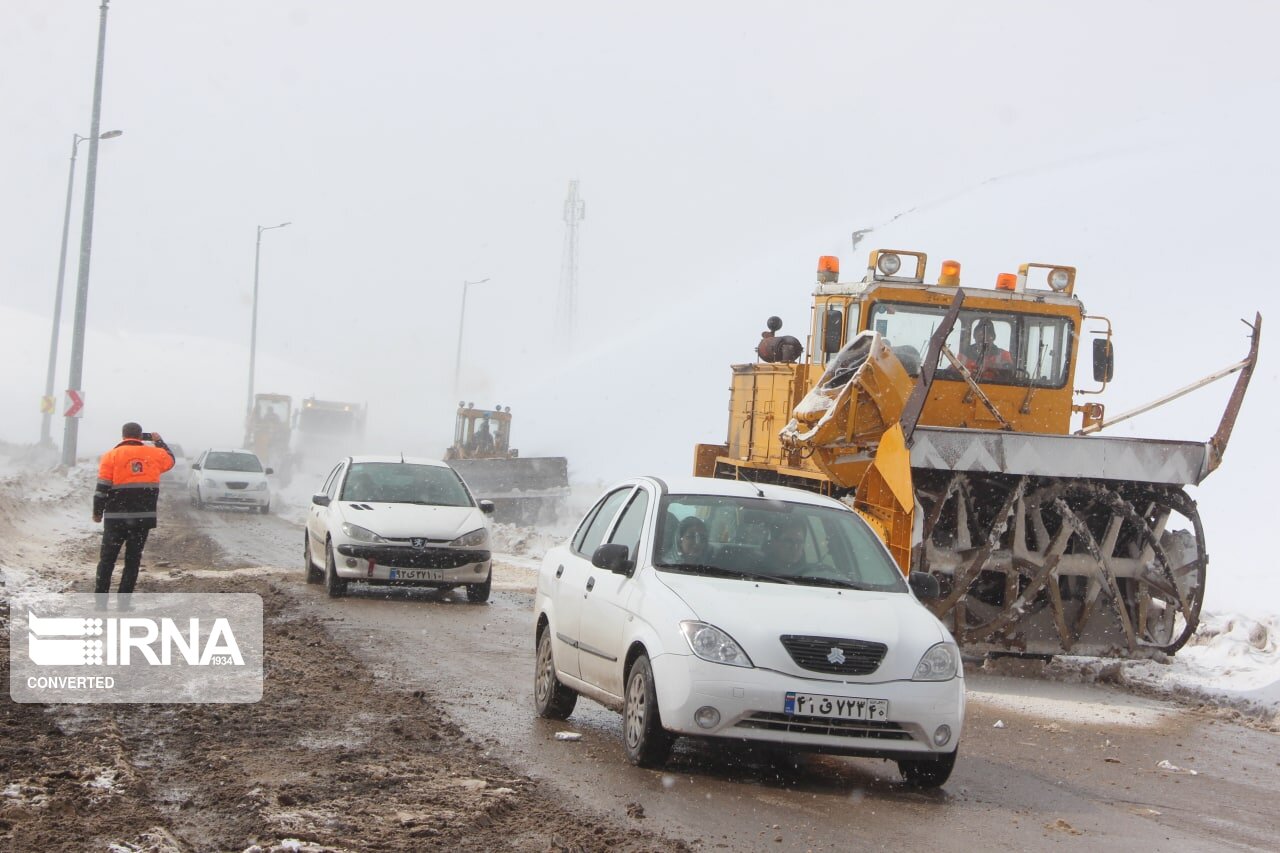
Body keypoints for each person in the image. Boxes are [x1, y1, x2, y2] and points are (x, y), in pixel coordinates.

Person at [93, 423, 175, 594]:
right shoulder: (154, 454)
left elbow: (102, 489)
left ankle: (101, 602)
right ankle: (124, 602)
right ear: (140, 435)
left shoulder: (111, 456)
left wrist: (97, 512)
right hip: (142, 519)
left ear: (123, 435)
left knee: (107, 560)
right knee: (133, 561)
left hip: (115, 519)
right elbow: (170, 460)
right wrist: (159, 441)